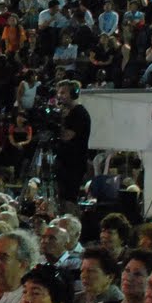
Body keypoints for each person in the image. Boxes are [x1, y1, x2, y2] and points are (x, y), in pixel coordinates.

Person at [55, 78, 91, 209]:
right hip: (63, 161)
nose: (59, 96)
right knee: (60, 197)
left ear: (73, 94)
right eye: (58, 93)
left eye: (63, 92)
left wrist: (58, 125)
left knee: (69, 198)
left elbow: (67, 136)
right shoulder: (64, 113)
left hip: (74, 163)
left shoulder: (79, 113)